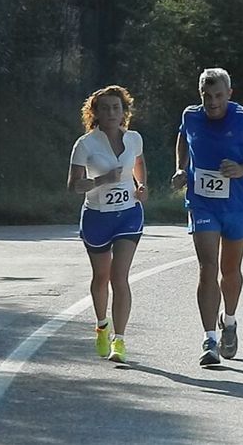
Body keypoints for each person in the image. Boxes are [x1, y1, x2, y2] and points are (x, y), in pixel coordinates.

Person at [172, 68, 243, 366]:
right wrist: (182, 168)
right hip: (202, 203)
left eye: (218, 96)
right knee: (208, 266)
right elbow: (183, 139)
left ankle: (229, 321)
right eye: (207, 96)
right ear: (200, 95)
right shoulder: (191, 116)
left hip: (236, 205)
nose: (212, 102)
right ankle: (209, 339)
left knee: (230, 271)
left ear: (229, 94)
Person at [67, 85, 148, 364]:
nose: (112, 113)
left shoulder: (134, 138)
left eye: (116, 107)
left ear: (124, 111)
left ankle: (120, 341)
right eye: (105, 108)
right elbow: (74, 186)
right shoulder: (85, 144)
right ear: (95, 113)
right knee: (101, 277)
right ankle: (102, 325)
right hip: (97, 216)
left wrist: (142, 186)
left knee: (119, 276)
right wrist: (102, 181)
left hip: (128, 214)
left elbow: (138, 165)